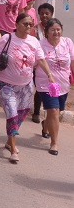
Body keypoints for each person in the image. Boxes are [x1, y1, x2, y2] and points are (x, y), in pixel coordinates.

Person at [0, 13, 53, 163]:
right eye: (25, 24)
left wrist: (49, 74)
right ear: (17, 24)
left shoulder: (34, 42)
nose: (28, 27)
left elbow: (41, 60)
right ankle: (13, 149)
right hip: (6, 85)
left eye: (30, 24)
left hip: (26, 86)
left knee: (21, 114)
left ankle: (9, 140)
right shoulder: (7, 39)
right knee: (12, 114)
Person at [36, 18, 73, 156]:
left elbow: (73, 61)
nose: (56, 32)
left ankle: (46, 125)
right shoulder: (40, 45)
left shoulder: (67, 42)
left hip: (63, 84)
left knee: (57, 112)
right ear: (46, 32)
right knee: (53, 111)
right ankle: (54, 142)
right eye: (53, 30)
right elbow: (35, 62)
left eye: (58, 29)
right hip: (46, 84)